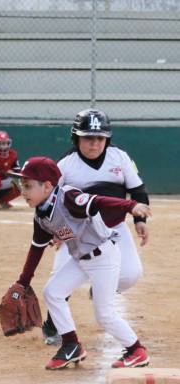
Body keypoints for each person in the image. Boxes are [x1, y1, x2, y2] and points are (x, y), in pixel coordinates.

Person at [10, 156, 151, 370]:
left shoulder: (68, 197)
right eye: (22, 186)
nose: (23, 191)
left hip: (104, 257)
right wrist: (23, 281)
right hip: (81, 259)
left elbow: (99, 201)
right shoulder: (41, 215)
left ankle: (136, 350)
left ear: (47, 186)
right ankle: (71, 345)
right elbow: (36, 248)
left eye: (28, 186)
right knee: (53, 292)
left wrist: (131, 205)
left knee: (104, 314)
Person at [42, 108, 150, 345]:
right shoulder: (66, 165)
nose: (94, 143)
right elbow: (50, 200)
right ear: (76, 138)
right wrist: (56, 231)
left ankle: (99, 289)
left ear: (107, 139)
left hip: (113, 227)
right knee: (58, 280)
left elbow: (138, 190)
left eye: (100, 138)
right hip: (77, 232)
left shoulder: (119, 158)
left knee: (131, 275)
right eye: (88, 138)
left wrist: (140, 220)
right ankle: (53, 322)